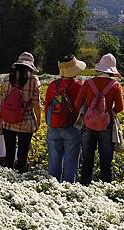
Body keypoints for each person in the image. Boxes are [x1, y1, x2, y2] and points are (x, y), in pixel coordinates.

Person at [74, 53, 124, 185]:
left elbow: (77, 103)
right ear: (112, 70)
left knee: (87, 159)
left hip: (88, 125)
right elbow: (120, 107)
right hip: (106, 127)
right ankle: (106, 189)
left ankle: (85, 187)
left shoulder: (88, 83)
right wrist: (106, 113)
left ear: (100, 68)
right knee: (106, 160)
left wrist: (90, 111)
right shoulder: (115, 85)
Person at [0, 52, 41, 174]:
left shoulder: (6, 79)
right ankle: (20, 178)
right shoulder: (33, 80)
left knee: (9, 154)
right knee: (22, 155)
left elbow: (0, 104)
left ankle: (7, 178)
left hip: (7, 122)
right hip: (26, 123)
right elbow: (37, 105)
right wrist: (38, 122)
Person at [44, 55, 86, 183]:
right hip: (72, 127)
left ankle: (52, 187)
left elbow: (47, 107)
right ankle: (68, 189)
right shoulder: (80, 86)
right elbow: (82, 108)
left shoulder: (53, 85)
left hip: (54, 127)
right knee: (71, 161)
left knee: (54, 161)